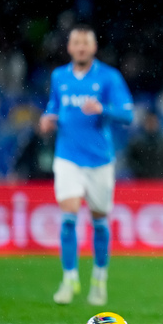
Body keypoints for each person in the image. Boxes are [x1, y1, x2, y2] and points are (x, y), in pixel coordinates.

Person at [39, 24, 133, 306]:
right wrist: (47, 117)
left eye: (85, 43)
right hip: (67, 157)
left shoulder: (108, 77)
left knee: (100, 222)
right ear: (69, 47)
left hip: (100, 161)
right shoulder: (59, 76)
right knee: (68, 217)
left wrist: (103, 109)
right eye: (76, 43)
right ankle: (69, 280)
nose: (80, 47)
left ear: (93, 48)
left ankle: (99, 280)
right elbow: (54, 106)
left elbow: (127, 114)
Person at [126, 112, 163, 179]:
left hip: (160, 181)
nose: (151, 125)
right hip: (141, 181)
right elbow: (131, 160)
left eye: (153, 122)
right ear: (144, 124)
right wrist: (140, 172)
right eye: (149, 122)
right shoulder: (137, 142)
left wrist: (162, 174)